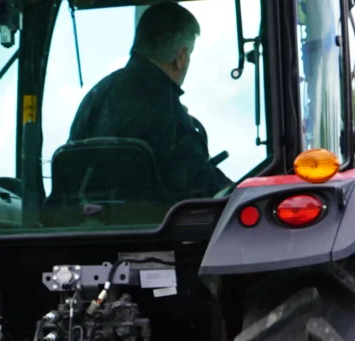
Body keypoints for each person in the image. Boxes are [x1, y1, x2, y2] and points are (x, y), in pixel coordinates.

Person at [66, 2, 232, 200]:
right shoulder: (170, 113)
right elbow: (205, 188)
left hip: (83, 226)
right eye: (189, 53)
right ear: (181, 57)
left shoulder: (95, 96)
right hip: (147, 227)